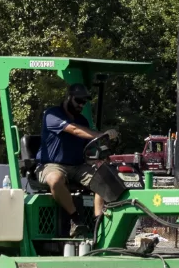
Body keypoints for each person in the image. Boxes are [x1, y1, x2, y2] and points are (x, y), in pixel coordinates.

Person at [37, 82, 129, 236]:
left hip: (78, 167)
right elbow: (74, 130)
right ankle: (76, 220)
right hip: (52, 165)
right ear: (68, 97)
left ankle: (97, 222)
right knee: (55, 179)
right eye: (78, 101)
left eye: (84, 102)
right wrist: (103, 135)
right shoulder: (52, 114)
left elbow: (92, 147)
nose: (81, 105)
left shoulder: (83, 121)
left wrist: (103, 154)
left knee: (104, 175)